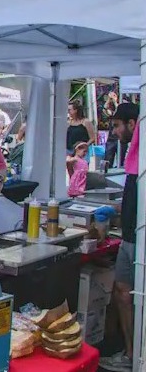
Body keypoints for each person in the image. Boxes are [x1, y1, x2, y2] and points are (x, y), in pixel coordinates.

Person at [96, 103, 139, 372]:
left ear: (133, 124)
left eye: (118, 126)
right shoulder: (133, 157)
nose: (115, 132)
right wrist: (115, 210)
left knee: (132, 294)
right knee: (122, 292)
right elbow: (134, 198)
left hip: (139, 238)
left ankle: (136, 355)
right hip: (129, 236)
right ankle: (129, 353)